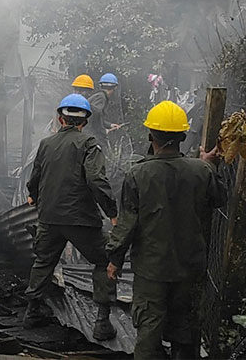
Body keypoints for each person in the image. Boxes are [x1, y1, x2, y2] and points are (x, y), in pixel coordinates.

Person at [106, 100, 226, 359]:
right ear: (183, 136)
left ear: (151, 136)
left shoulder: (138, 174)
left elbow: (127, 224)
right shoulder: (202, 171)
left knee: (149, 333)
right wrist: (209, 165)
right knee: (187, 331)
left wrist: (114, 259)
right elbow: (219, 199)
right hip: (190, 268)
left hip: (152, 270)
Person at [23, 94, 118, 340]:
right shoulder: (89, 144)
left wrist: (33, 196)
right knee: (105, 260)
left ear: (59, 119)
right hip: (81, 220)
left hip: (49, 217)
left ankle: (32, 312)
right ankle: (102, 322)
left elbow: (35, 177)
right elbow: (96, 180)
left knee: (44, 261)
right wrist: (112, 212)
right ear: (84, 122)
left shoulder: (46, 143)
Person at [86, 73, 123, 144]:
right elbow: (94, 115)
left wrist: (110, 125)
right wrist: (103, 130)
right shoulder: (101, 97)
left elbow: (98, 117)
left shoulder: (99, 96)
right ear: (115, 87)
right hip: (89, 133)